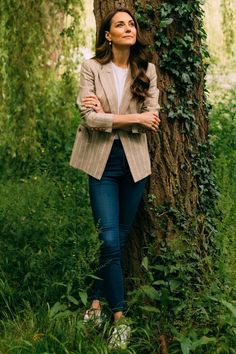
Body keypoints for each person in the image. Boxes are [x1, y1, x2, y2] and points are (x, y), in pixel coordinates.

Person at [70, 7, 160, 349]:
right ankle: (120, 317)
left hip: (135, 164)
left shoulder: (146, 70)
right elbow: (90, 119)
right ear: (108, 34)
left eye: (131, 23)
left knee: (116, 241)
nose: (128, 28)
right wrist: (128, 119)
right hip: (101, 162)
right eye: (120, 24)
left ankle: (95, 303)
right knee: (108, 240)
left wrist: (110, 116)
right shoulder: (92, 67)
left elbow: (152, 118)